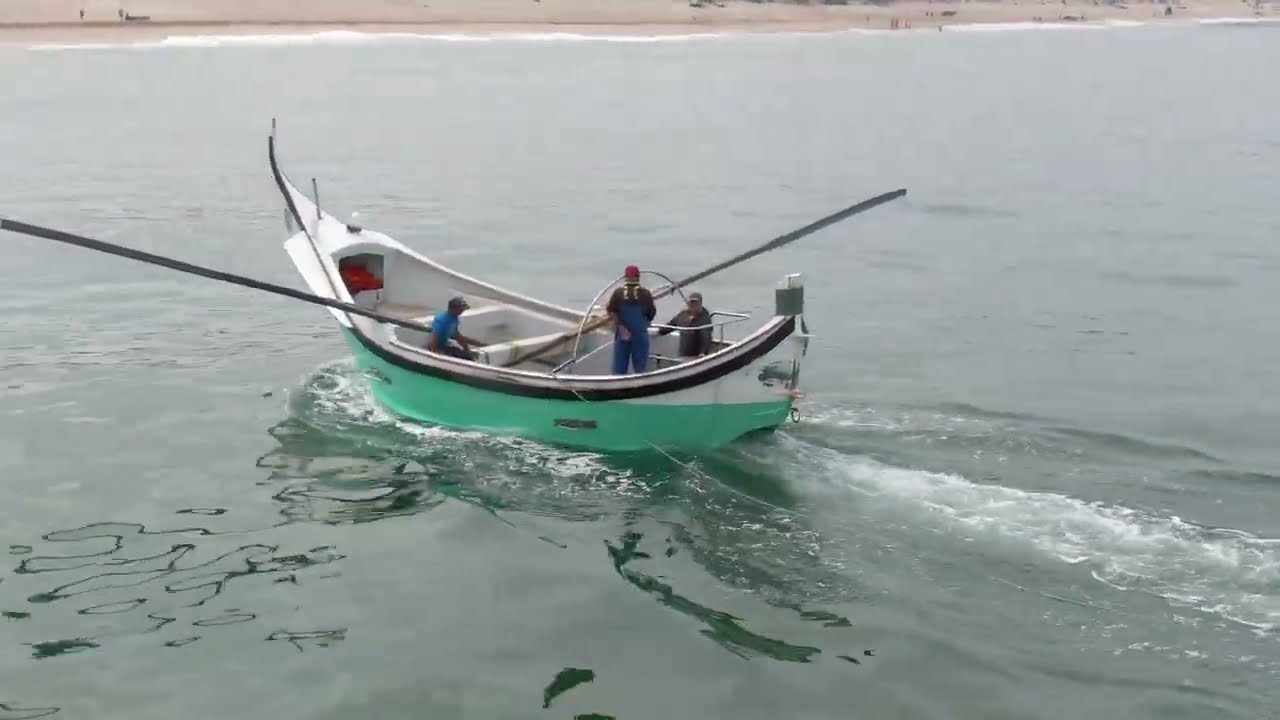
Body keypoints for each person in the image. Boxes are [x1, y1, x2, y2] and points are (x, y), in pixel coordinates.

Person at [606, 265, 656, 374]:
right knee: (641, 366)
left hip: (623, 333)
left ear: (625, 277)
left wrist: (620, 325)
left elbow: (610, 310)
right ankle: (639, 385)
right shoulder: (645, 294)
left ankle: (618, 385)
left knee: (619, 365)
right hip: (640, 335)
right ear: (638, 277)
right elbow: (651, 314)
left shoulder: (618, 293)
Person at [657, 291, 713, 358]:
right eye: (691, 302)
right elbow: (671, 325)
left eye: (695, 303)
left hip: (695, 356)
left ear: (700, 303)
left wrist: (703, 352)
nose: (692, 305)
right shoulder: (683, 315)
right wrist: (659, 331)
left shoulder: (705, 319)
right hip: (683, 354)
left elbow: (706, 337)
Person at [428, 296, 480, 361]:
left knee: (468, 356)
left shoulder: (454, 319)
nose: (462, 311)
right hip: (437, 347)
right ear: (454, 309)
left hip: (445, 345)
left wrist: (466, 349)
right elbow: (434, 336)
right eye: (461, 309)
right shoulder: (442, 320)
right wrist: (434, 353)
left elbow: (457, 336)